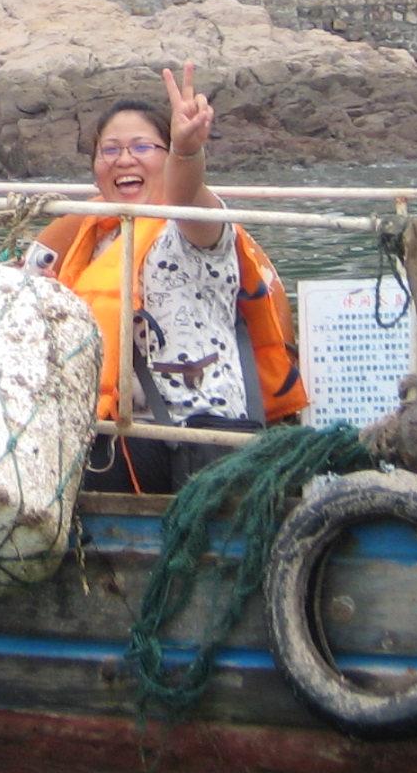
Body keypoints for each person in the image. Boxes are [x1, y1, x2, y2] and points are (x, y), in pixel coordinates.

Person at [22, 68, 308, 492]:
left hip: (197, 435)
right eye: (110, 150)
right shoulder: (92, 241)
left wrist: (187, 151)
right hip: (113, 435)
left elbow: (186, 196)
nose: (124, 159)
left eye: (142, 147)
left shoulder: (192, 231)